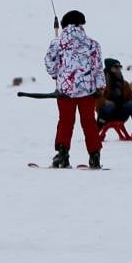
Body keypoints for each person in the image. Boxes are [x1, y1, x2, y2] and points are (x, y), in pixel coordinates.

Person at [44, 10, 105, 168]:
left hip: (65, 91)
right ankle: (94, 155)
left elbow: (49, 63)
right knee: (89, 122)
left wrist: (56, 75)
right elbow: (98, 68)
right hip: (88, 91)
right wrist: (100, 87)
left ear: (64, 24)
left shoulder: (57, 42)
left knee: (65, 121)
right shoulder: (93, 44)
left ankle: (62, 155)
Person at [97, 57, 132, 141]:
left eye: (119, 67)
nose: (118, 69)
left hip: (121, 112)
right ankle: (94, 134)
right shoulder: (101, 83)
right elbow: (96, 99)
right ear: (109, 68)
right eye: (115, 67)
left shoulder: (124, 84)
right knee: (109, 106)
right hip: (106, 113)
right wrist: (105, 101)